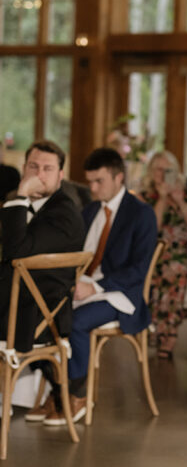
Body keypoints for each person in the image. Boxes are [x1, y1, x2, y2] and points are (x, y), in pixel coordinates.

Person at [40, 147, 158, 426]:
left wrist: (97, 288)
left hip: (120, 294)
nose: (91, 188)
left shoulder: (141, 214)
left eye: (99, 181)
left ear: (119, 178)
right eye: (89, 181)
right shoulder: (91, 209)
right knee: (41, 314)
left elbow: (139, 269)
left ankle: (78, 395)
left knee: (76, 321)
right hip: (84, 285)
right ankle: (57, 388)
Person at [0, 140, 85, 355]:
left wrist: (20, 195)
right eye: (33, 167)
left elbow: (15, 253)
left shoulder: (64, 214)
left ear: (60, 175)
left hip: (33, 317)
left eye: (48, 169)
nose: (39, 175)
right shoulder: (26, 205)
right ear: (23, 169)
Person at [139, 150, 187, 358]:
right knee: (161, 269)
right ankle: (159, 328)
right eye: (158, 169)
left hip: (181, 252)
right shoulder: (144, 195)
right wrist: (163, 199)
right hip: (154, 252)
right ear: (151, 171)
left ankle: (170, 331)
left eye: (168, 170)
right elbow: (151, 229)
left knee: (178, 269)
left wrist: (179, 200)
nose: (162, 174)